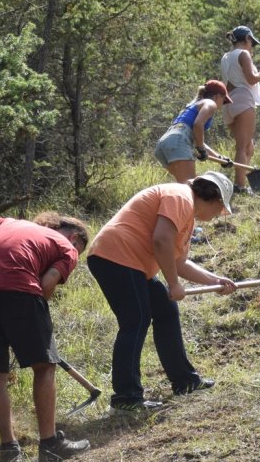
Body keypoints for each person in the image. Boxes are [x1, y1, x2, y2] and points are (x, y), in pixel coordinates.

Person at [0, 210, 92, 462]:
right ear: (74, 236)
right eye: (79, 245)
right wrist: (34, 314)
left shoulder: (10, 223)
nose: (76, 250)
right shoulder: (67, 247)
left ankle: (8, 449)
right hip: (21, 291)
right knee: (44, 366)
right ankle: (50, 445)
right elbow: (47, 284)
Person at [86, 172, 238, 412]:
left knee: (165, 310)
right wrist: (173, 284)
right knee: (136, 319)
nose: (219, 215)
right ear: (215, 199)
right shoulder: (180, 196)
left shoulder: (187, 216)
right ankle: (126, 397)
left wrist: (214, 280)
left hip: (133, 264)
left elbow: (178, 262)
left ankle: (185, 381)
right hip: (116, 256)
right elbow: (161, 241)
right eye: (221, 210)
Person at [219, 26, 260, 192]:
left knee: (248, 146)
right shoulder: (243, 54)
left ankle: (243, 182)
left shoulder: (226, 57)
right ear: (247, 39)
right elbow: (251, 79)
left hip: (227, 102)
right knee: (243, 146)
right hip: (242, 99)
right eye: (251, 43)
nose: (252, 47)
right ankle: (239, 186)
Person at [154, 80, 234, 183]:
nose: (223, 104)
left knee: (182, 187)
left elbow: (196, 138)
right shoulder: (210, 103)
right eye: (224, 100)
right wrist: (201, 149)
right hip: (178, 141)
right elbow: (198, 125)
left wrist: (220, 158)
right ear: (217, 96)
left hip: (164, 143)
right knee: (190, 187)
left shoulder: (193, 106)